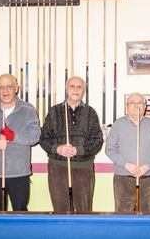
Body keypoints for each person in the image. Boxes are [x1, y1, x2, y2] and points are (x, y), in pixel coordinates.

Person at [0, 73, 41, 211]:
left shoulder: (27, 110)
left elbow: (35, 135)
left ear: (16, 88)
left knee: (20, 211)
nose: (5, 90)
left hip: (19, 173)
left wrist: (14, 136)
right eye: (1, 87)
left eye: (9, 87)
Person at [40, 76, 103, 212]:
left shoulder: (90, 113)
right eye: (72, 86)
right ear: (66, 89)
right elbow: (44, 139)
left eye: (79, 87)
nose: (75, 89)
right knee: (60, 210)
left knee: (84, 210)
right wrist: (58, 148)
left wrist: (78, 150)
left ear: (83, 91)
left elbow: (97, 141)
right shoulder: (54, 111)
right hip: (58, 168)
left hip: (83, 169)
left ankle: (83, 234)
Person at [106, 92, 150, 212]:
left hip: (147, 178)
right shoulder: (118, 124)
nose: (136, 106)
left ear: (145, 107)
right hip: (123, 179)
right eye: (132, 103)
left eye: (139, 103)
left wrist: (146, 167)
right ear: (126, 107)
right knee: (123, 217)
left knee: (146, 216)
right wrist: (127, 165)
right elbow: (110, 149)